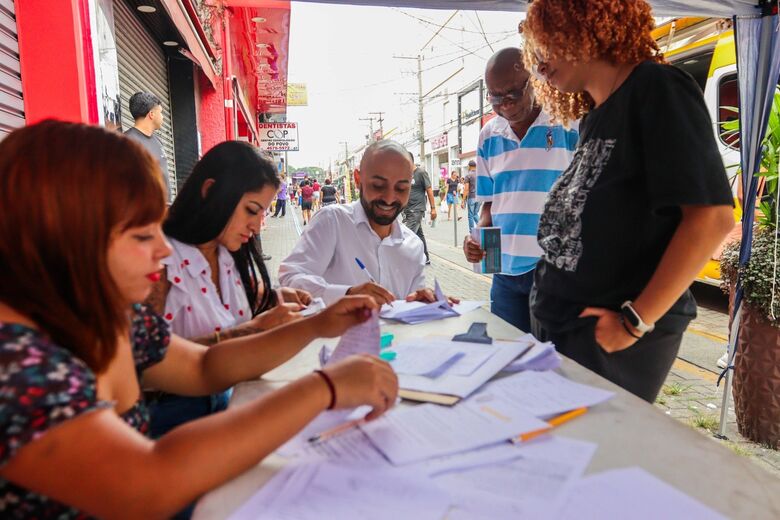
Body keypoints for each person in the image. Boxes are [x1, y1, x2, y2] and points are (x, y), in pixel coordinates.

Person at [0, 120, 398, 517]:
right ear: (61, 235)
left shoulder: (114, 315)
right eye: (141, 236)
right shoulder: (16, 367)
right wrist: (324, 388)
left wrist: (316, 325)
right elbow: (145, 483)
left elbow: (205, 366)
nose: (162, 248)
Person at [522, 0, 735, 402]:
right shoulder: (594, 116)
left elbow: (712, 217)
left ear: (582, 21)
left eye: (546, 41)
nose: (539, 63)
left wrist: (635, 322)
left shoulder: (657, 88)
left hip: (606, 342)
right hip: (560, 329)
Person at [144, 140, 312, 439]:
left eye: (263, 213)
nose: (258, 226)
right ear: (211, 191)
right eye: (251, 210)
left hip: (233, 410)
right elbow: (143, 367)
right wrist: (252, 330)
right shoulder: (159, 262)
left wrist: (276, 299)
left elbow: (250, 301)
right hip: (176, 431)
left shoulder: (229, 254)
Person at [463, 47, 578, 332]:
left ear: (534, 79)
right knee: (507, 356)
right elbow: (489, 203)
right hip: (504, 274)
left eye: (513, 93)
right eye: (495, 97)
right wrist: (477, 238)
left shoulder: (568, 123)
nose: (505, 105)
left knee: (550, 362)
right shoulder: (488, 135)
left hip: (553, 272)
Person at [280, 140, 458, 306]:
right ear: (358, 179)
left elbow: (406, 311)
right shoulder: (332, 221)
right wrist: (348, 294)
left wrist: (421, 305)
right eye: (378, 186)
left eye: (401, 188)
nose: (389, 198)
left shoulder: (414, 246)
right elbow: (288, 280)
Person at [124, 91, 170, 203]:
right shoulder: (127, 142)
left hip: (164, 211)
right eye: (161, 112)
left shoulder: (158, 141)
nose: (163, 117)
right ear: (152, 114)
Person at [402, 152, 437, 265]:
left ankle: (405, 261)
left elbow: (429, 191)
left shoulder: (421, 173)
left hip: (417, 209)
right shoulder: (405, 175)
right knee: (419, 235)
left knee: (408, 235)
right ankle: (425, 257)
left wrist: (433, 208)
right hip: (408, 210)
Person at [461, 160, 481, 233]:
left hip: (472, 197)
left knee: (470, 215)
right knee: (475, 214)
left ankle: (472, 231)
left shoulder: (468, 175)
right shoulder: (479, 174)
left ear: (469, 166)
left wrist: (463, 200)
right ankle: (481, 228)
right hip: (479, 197)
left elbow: (466, 189)